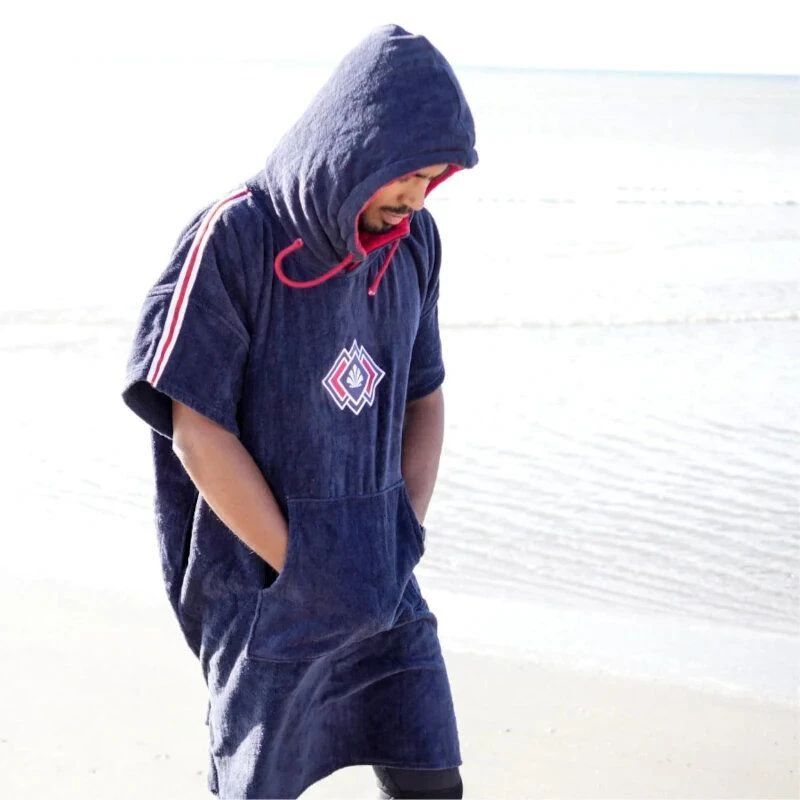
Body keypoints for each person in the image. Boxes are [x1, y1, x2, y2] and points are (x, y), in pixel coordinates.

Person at [122, 23, 478, 800]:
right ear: (358, 142)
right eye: (405, 174)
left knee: (431, 781)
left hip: (384, 584)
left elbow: (425, 392)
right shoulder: (236, 236)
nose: (415, 197)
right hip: (267, 592)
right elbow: (195, 429)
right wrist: (301, 566)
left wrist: (403, 532)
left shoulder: (416, 243)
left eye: (432, 179)